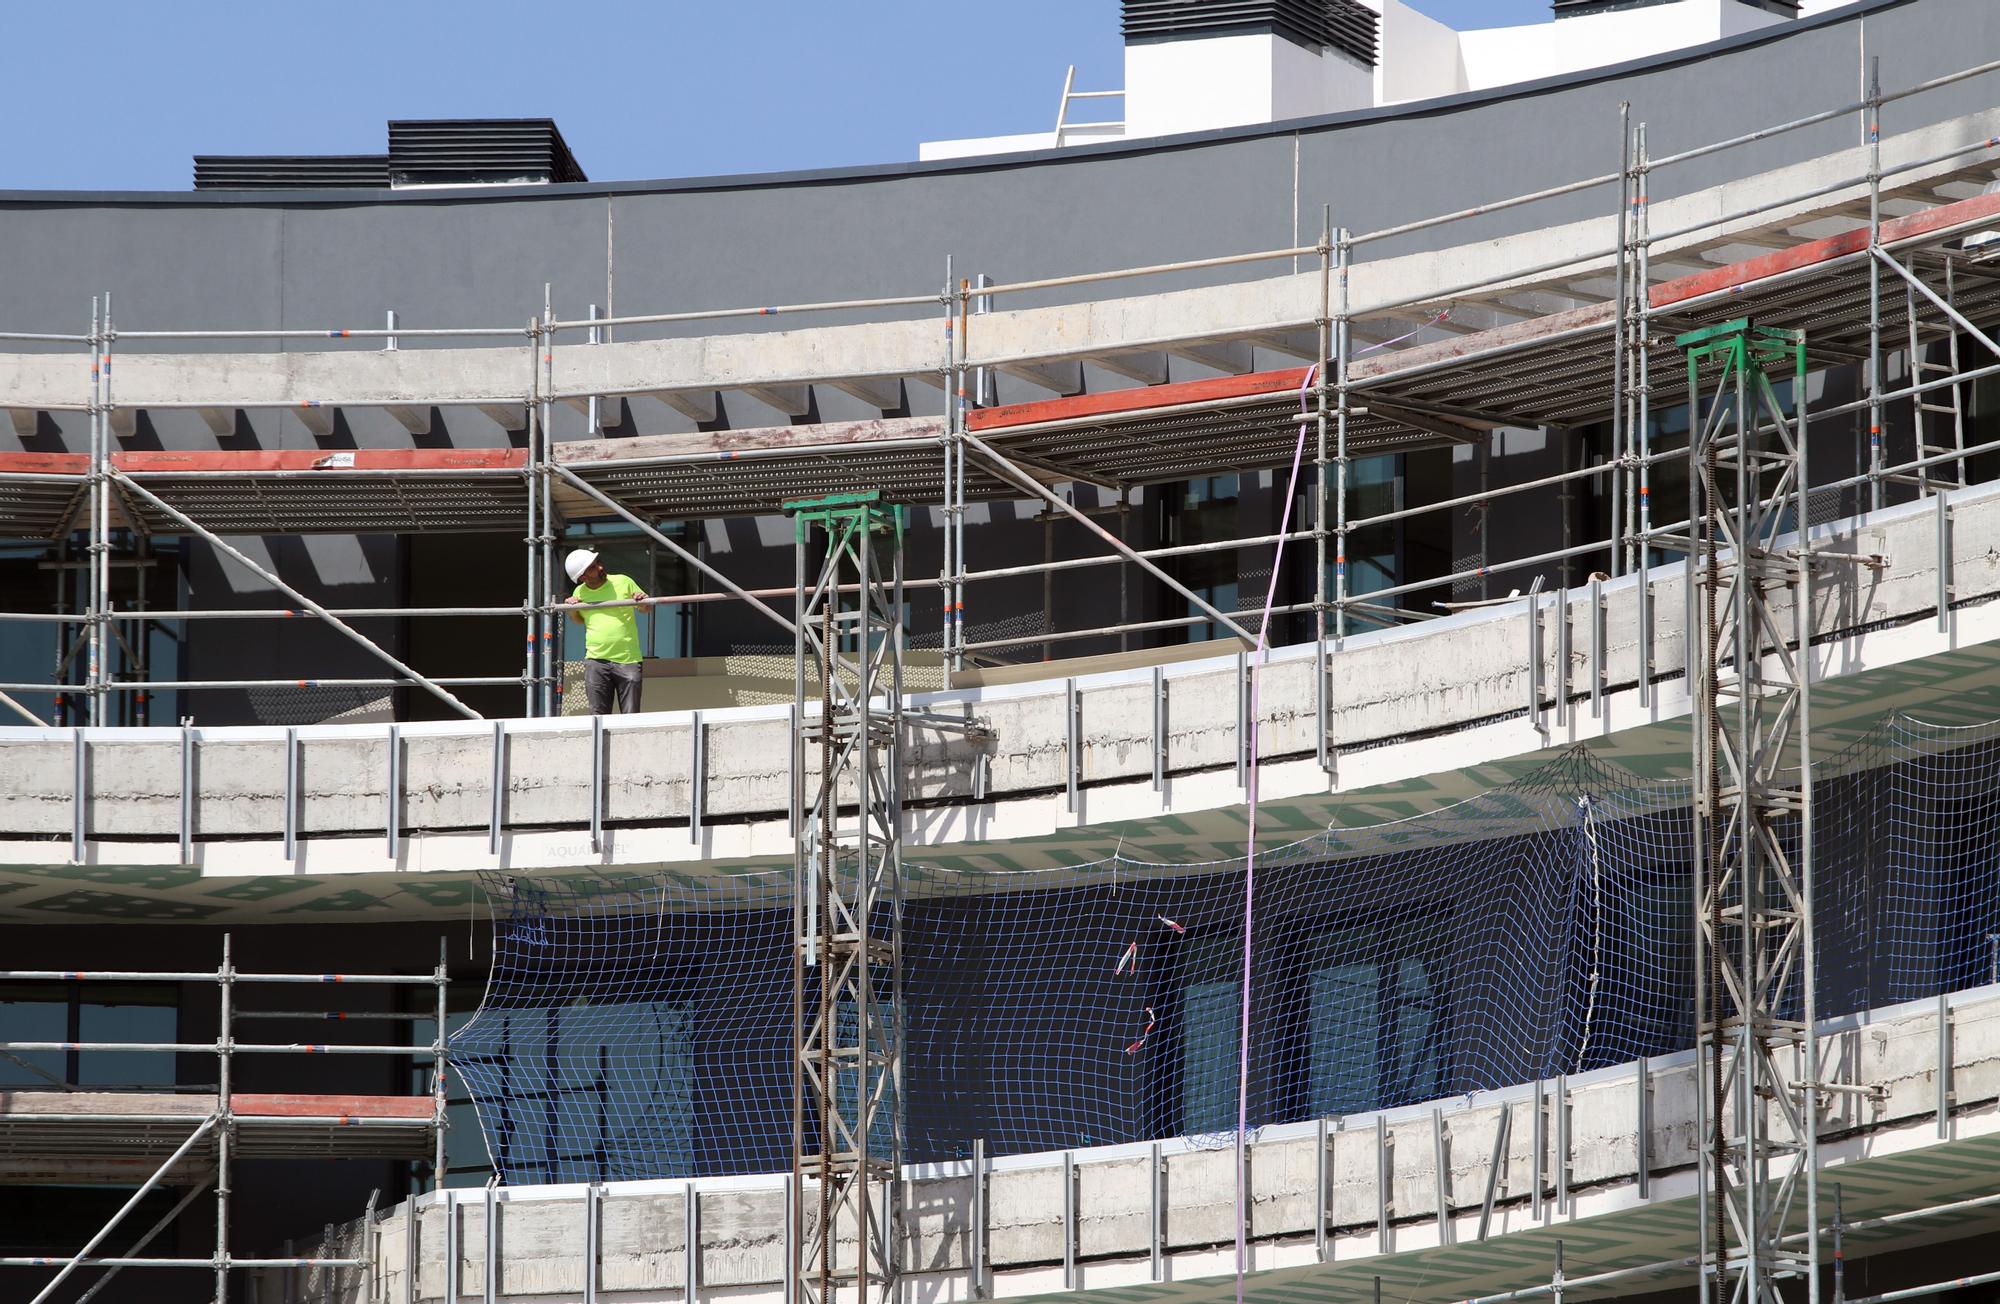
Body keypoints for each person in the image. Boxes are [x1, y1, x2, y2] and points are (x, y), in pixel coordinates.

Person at [564, 548, 649, 714]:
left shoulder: (623, 582)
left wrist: (643, 600)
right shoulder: (579, 592)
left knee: (631, 717)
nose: (600, 568)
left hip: (628, 660)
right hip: (596, 661)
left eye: (598, 563)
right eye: (593, 567)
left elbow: (645, 609)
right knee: (598, 717)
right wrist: (571, 608)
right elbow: (578, 620)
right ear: (583, 577)